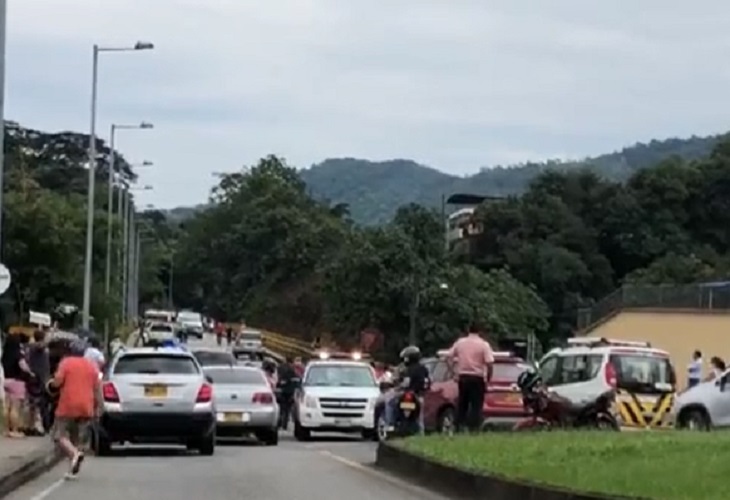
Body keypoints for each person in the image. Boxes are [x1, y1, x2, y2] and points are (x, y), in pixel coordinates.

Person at [48, 339, 100, 479]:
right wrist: (99, 406)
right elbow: (97, 388)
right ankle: (72, 469)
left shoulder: (66, 363)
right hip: (86, 406)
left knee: (59, 435)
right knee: (76, 438)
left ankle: (74, 454)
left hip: (68, 405)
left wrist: (51, 383)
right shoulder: (91, 366)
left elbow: (58, 382)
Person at [447, 325, 494, 433]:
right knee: (476, 405)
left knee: (462, 403)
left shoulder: (460, 343)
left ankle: (458, 427)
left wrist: (453, 373)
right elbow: (490, 364)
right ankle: (473, 429)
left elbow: (448, 357)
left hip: (463, 377)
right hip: (477, 378)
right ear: (480, 331)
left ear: (468, 330)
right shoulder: (483, 345)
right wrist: (488, 378)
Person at [384, 346, 430, 434]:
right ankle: (421, 432)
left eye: (406, 358)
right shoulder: (424, 369)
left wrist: (397, 387)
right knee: (420, 417)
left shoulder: (410, 370)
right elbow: (428, 382)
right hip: (420, 396)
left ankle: (390, 424)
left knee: (389, 400)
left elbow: (406, 383)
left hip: (409, 393)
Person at [2, 334, 35, 438]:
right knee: (15, 408)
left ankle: (6, 429)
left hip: (5, 380)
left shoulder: (4, 354)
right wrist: (31, 373)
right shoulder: (19, 354)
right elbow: (23, 366)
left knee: (6, 407)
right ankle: (14, 430)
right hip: (17, 382)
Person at [27, 330, 51, 435]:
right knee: (40, 404)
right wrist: (50, 335)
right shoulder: (36, 347)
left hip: (40, 378)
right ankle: (39, 426)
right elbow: (42, 345)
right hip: (38, 379)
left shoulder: (33, 347)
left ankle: (37, 425)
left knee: (39, 404)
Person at [276, 358, 300, 430]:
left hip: (283, 392)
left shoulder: (281, 369)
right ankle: (284, 424)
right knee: (287, 409)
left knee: (282, 409)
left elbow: (280, 382)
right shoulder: (293, 372)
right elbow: (296, 383)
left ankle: (281, 423)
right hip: (289, 392)